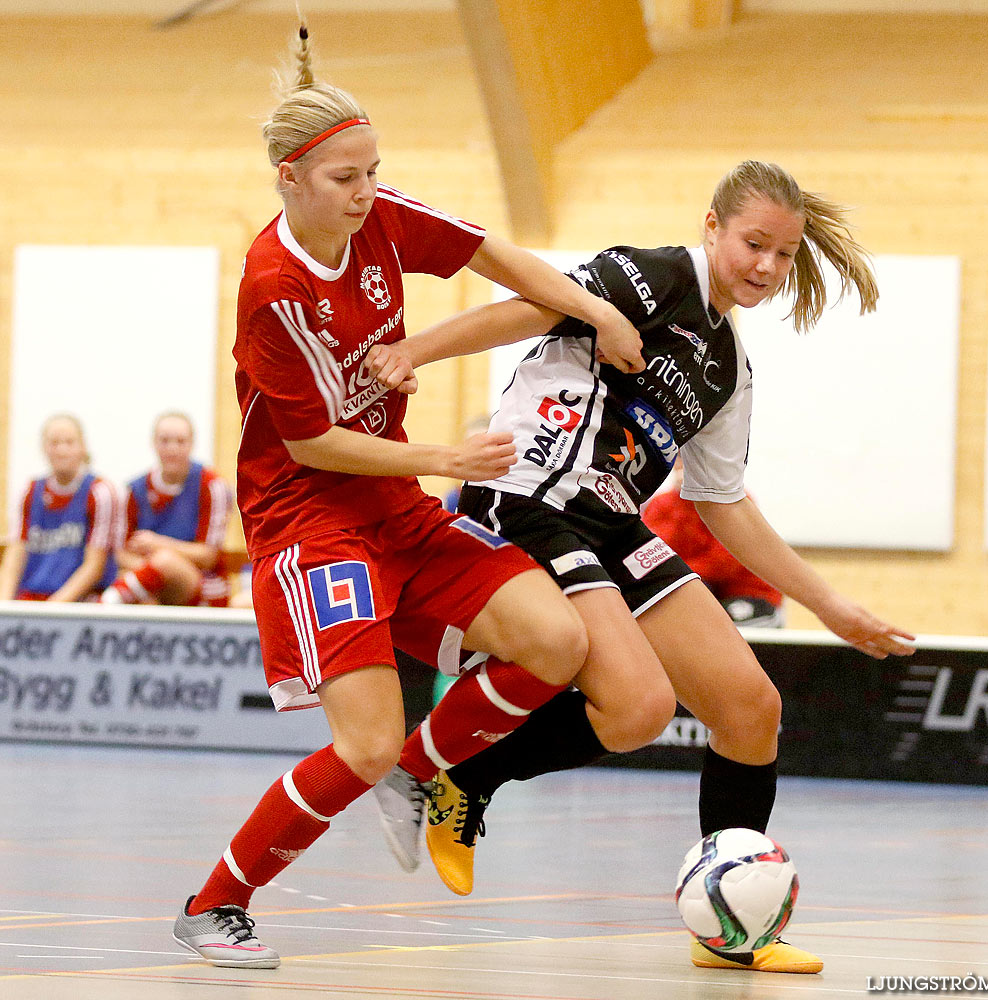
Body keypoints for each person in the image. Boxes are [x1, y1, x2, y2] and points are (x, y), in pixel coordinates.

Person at [170, 23, 645, 970]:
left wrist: (595, 310)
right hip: (313, 522)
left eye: (374, 171)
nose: (367, 192)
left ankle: (423, 774)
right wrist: (442, 454)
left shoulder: (379, 218)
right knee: (364, 743)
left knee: (556, 642)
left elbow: (496, 256)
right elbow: (311, 440)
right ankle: (214, 904)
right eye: (346, 178)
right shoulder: (273, 286)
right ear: (291, 180)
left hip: (396, 508)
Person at [369, 159, 916, 975]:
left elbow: (722, 502)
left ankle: (733, 931)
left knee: (749, 707)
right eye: (753, 244)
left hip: (611, 520)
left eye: (782, 254)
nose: (765, 267)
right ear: (712, 226)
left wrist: (831, 605)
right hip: (531, 493)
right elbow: (529, 306)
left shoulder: (728, 366)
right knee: (639, 708)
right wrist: (416, 348)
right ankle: (463, 775)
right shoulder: (655, 276)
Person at [99, 412, 234, 608]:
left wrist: (157, 545)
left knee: (164, 561)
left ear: (191, 444)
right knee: (143, 589)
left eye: (180, 441)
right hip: (150, 581)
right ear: (153, 443)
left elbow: (208, 556)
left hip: (203, 583)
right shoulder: (134, 490)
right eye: (165, 441)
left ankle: (104, 604)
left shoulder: (212, 486)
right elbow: (121, 554)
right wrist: (155, 572)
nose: (172, 449)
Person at [642, 456, 784, 626]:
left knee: (720, 631)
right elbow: (654, 551)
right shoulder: (662, 504)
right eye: (680, 457)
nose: (687, 463)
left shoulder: (733, 500)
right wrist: (684, 499)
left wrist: (677, 573)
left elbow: (724, 562)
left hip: (748, 593)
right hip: (702, 590)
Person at [0, 414, 117, 602]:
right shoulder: (29, 491)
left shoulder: (99, 492)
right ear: (44, 449)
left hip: (80, 600)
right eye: (54, 443)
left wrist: (54, 609)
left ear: (82, 447)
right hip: (33, 594)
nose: (62, 450)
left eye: (69, 442)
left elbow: (95, 565)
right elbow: (15, 554)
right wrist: (4, 604)